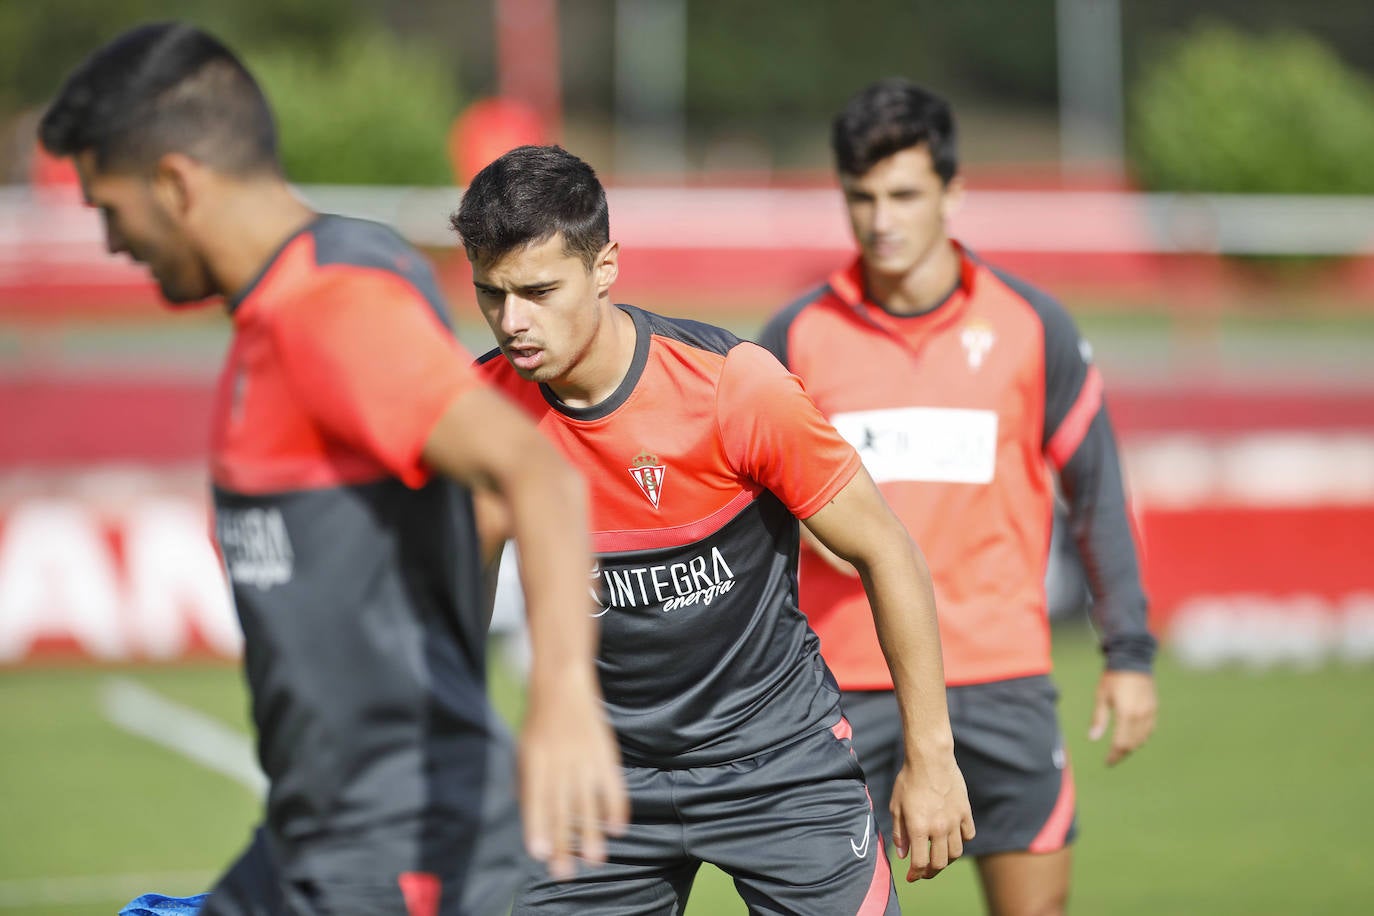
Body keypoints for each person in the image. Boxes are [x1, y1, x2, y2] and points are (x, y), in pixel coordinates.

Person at [39, 23, 627, 914]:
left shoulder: (333, 308)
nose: (114, 244)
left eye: (110, 210)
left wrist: (564, 703)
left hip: (395, 851)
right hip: (318, 837)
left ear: (175, 184)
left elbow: (533, 476)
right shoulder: (280, 307)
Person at [451, 144, 974, 916]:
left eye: (537, 290)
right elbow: (450, 607)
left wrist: (932, 757)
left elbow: (885, 549)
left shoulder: (734, 388)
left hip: (778, 766)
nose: (512, 322)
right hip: (601, 781)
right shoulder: (480, 416)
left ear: (605, 268)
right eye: (490, 295)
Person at [758, 78, 1159, 916]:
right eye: (861, 197)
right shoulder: (794, 337)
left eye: (904, 194)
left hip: (1000, 675)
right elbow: (749, 511)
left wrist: (1127, 653)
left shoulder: (1031, 326)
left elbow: (1097, 494)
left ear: (953, 192)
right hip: (841, 683)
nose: (882, 219)